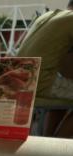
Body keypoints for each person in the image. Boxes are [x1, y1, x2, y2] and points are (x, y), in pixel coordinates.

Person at [17, 0, 73, 137]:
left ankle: (47, 140)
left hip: (19, 79)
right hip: (40, 83)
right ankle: (58, 146)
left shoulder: (46, 16)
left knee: (63, 96)